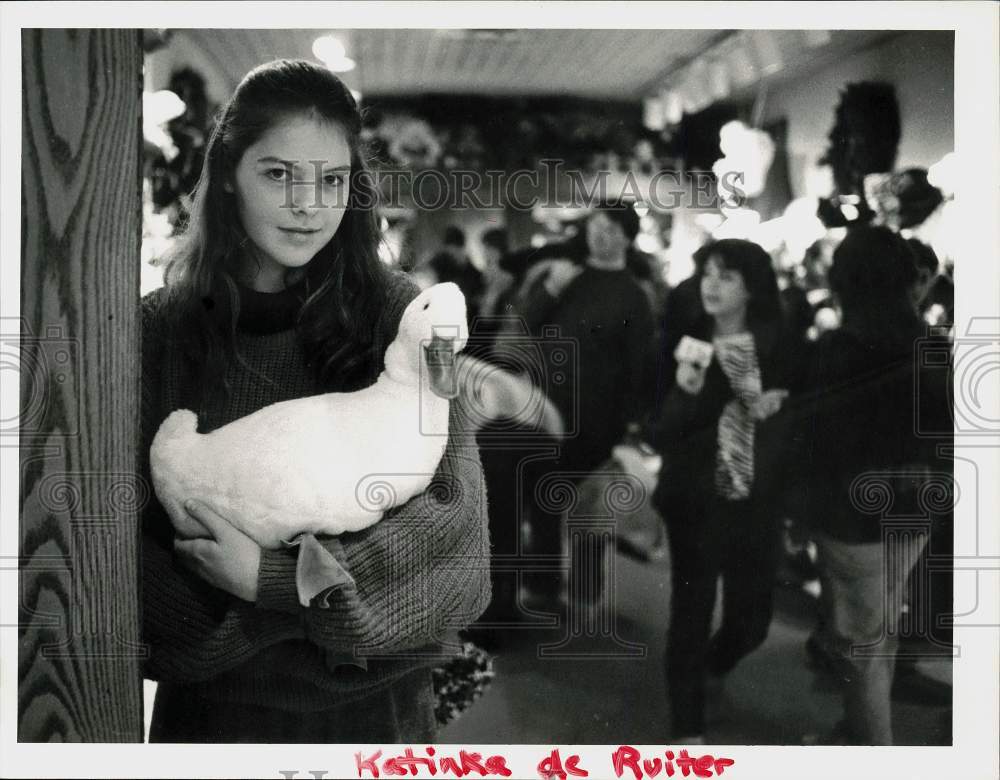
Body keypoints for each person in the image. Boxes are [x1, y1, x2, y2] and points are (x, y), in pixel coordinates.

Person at [139, 59, 490, 743]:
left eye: (331, 179)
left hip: (374, 718)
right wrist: (340, 610)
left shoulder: (400, 314)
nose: (309, 204)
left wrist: (277, 581)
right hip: (219, 720)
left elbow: (458, 550)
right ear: (229, 176)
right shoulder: (163, 330)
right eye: (278, 174)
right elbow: (131, 551)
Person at [793, 226, 951, 744]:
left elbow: (816, 444)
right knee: (880, 633)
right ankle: (857, 732)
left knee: (860, 645)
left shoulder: (838, 348)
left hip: (852, 518)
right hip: (913, 509)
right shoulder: (931, 345)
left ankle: (872, 753)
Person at [647, 238, 804, 742]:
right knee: (690, 616)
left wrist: (774, 414)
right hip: (694, 500)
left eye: (727, 276)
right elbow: (658, 429)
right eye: (708, 273)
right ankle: (686, 731)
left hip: (754, 501)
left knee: (751, 621)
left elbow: (805, 421)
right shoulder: (685, 339)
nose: (712, 285)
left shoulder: (779, 344)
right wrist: (689, 396)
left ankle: (712, 671)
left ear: (752, 287)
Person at [515, 200, 656, 605]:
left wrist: (630, 425)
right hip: (544, 410)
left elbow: (639, 367)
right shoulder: (566, 276)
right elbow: (523, 324)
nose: (601, 233)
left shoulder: (633, 295)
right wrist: (551, 289)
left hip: (598, 418)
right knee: (543, 498)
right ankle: (542, 585)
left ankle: (585, 589)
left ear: (627, 238)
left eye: (612, 227)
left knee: (591, 508)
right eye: (596, 224)